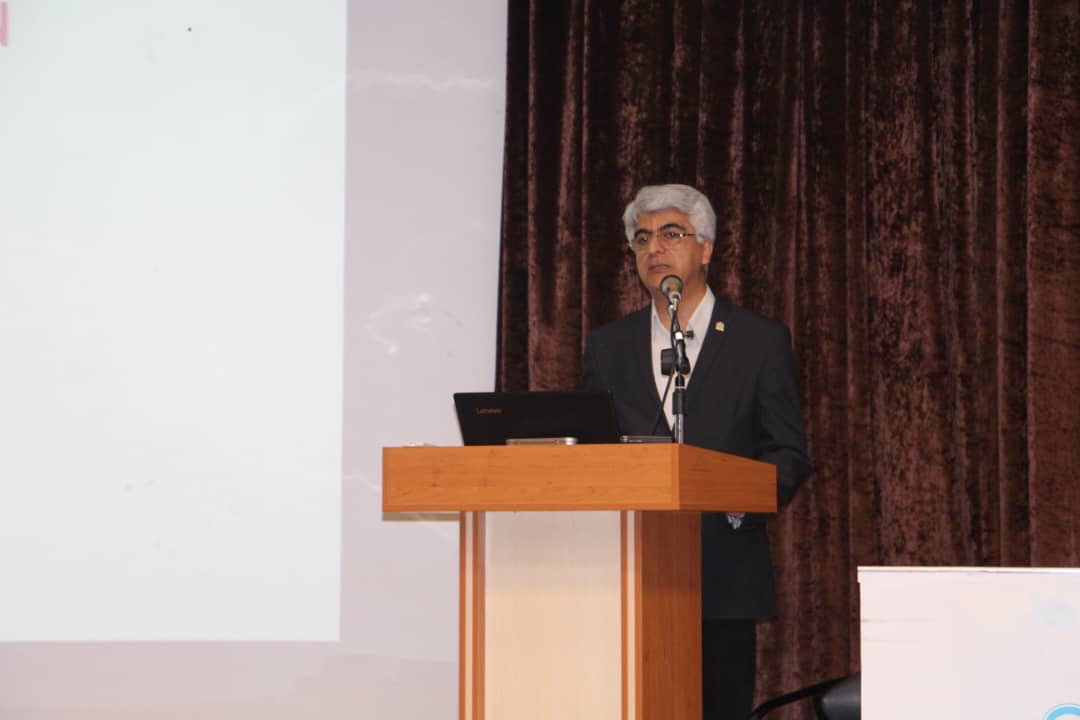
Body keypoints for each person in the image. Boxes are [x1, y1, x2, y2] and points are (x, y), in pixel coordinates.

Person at [579, 184, 812, 720]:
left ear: (705, 248)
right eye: (642, 238)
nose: (654, 248)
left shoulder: (759, 341)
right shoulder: (609, 346)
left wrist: (733, 499)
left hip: (723, 573)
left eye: (671, 234)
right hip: (631, 572)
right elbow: (592, 449)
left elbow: (787, 451)